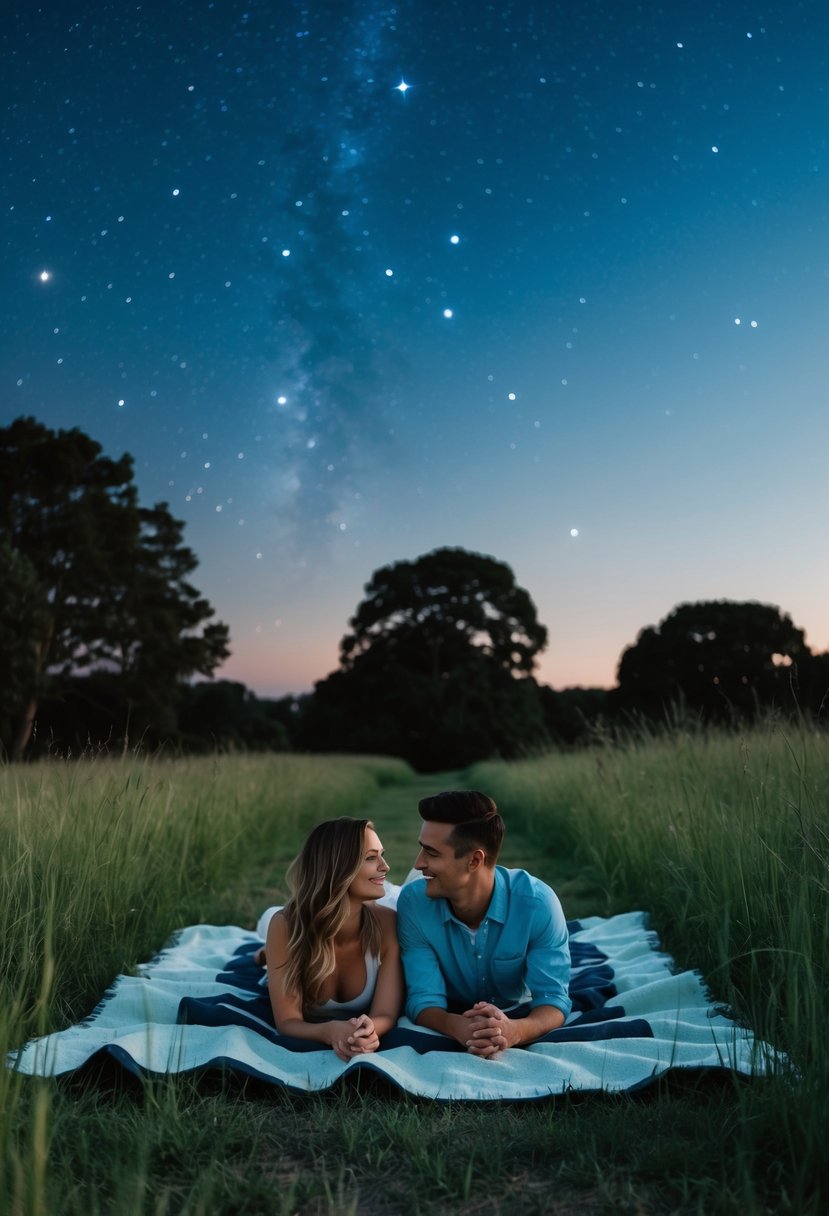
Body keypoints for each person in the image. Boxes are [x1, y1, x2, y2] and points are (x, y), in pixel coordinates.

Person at [396, 790, 571, 1058]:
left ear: (475, 860)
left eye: (431, 852)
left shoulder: (538, 904)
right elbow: (423, 999)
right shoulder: (413, 903)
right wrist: (456, 1026)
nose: (419, 862)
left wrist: (514, 1030)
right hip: (425, 895)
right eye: (422, 848)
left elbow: (553, 999)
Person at [259, 817, 402, 1060]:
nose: (385, 866)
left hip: (376, 912)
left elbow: (386, 1014)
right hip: (292, 926)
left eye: (382, 855)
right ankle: (263, 954)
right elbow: (288, 1022)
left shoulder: (388, 922)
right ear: (338, 868)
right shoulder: (286, 926)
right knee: (268, 923)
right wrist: (329, 1031)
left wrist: (367, 1032)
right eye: (371, 857)